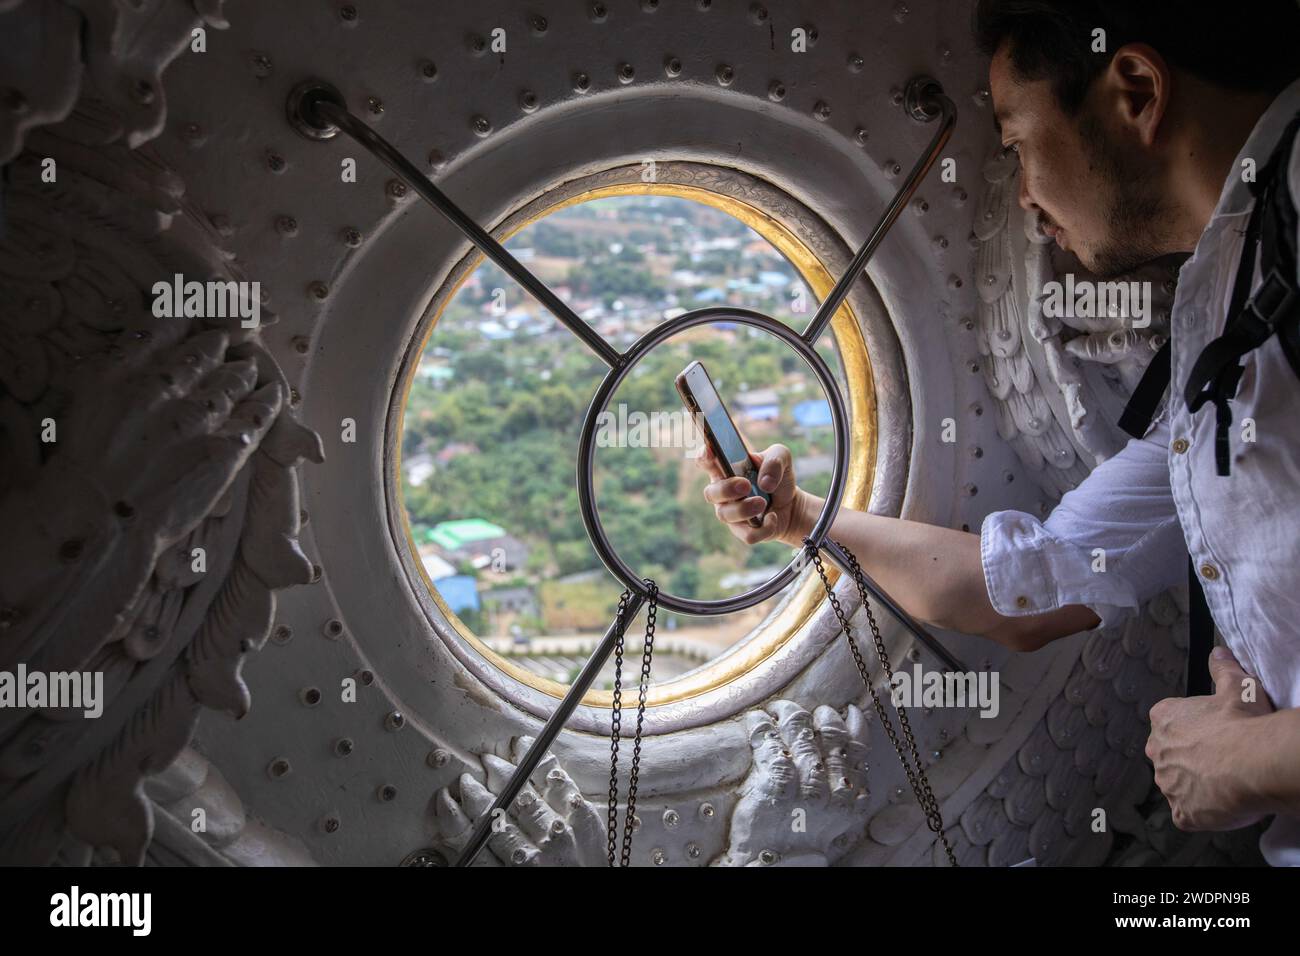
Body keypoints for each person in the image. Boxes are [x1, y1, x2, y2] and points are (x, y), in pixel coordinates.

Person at [696, 0, 1300, 865]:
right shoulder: (1223, 299)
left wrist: (1253, 760)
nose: (1023, 194)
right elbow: (1040, 582)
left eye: (1018, 143)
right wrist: (805, 521)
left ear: (1135, 91)